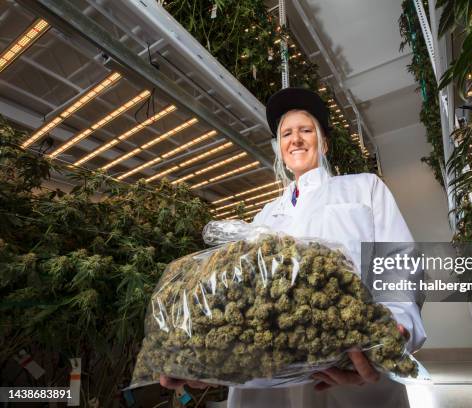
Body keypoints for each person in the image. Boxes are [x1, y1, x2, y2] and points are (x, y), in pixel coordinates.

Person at [161, 87, 426, 407]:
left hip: (352, 368)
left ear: (324, 142)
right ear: (279, 149)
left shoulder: (363, 189)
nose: (295, 139)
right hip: (267, 384)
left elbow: (397, 260)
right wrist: (214, 354)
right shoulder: (264, 216)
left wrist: (394, 331)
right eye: (286, 133)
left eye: (305, 130)